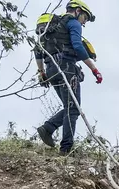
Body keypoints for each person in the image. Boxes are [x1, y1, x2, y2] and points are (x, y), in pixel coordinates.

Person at [34, 1, 103, 155]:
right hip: (66, 69)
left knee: (69, 107)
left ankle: (48, 129)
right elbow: (77, 46)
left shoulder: (51, 27)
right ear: (78, 11)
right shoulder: (73, 23)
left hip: (51, 70)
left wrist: (42, 72)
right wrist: (94, 69)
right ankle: (65, 148)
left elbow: (37, 50)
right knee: (73, 109)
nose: (84, 22)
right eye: (85, 17)